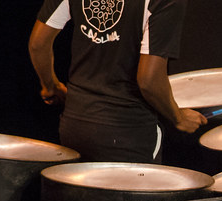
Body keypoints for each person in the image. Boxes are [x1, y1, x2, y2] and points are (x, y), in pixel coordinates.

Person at [28, 0, 206, 162]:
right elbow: (148, 80)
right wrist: (178, 117)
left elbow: (38, 44)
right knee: (136, 199)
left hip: (74, 126)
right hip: (127, 133)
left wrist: (51, 86)